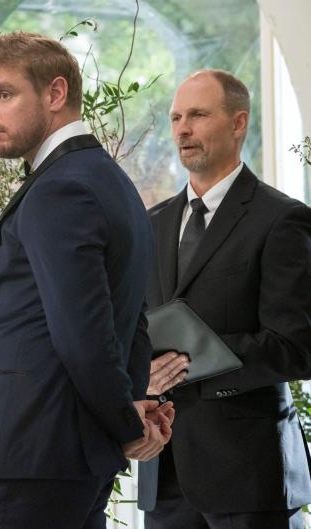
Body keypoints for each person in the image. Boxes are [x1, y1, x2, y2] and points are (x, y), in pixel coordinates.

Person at [0, 32, 174, 529]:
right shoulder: (112, 183)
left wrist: (125, 421)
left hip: (24, 456)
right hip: (68, 458)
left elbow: (84, 335)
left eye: (3, 94)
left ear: (54, 94)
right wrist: (131, 410)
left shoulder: (61, 189)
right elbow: (130, 318)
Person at [138, 69, 311, 529]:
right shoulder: (150, 224)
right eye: (176, 117)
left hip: (249, 474)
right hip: (163, 470)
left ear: (238, 123)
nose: (182, 129)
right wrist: (143, 374)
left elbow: (296, 348)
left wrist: (193, 365)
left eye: (197, 114)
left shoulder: (283, 220)